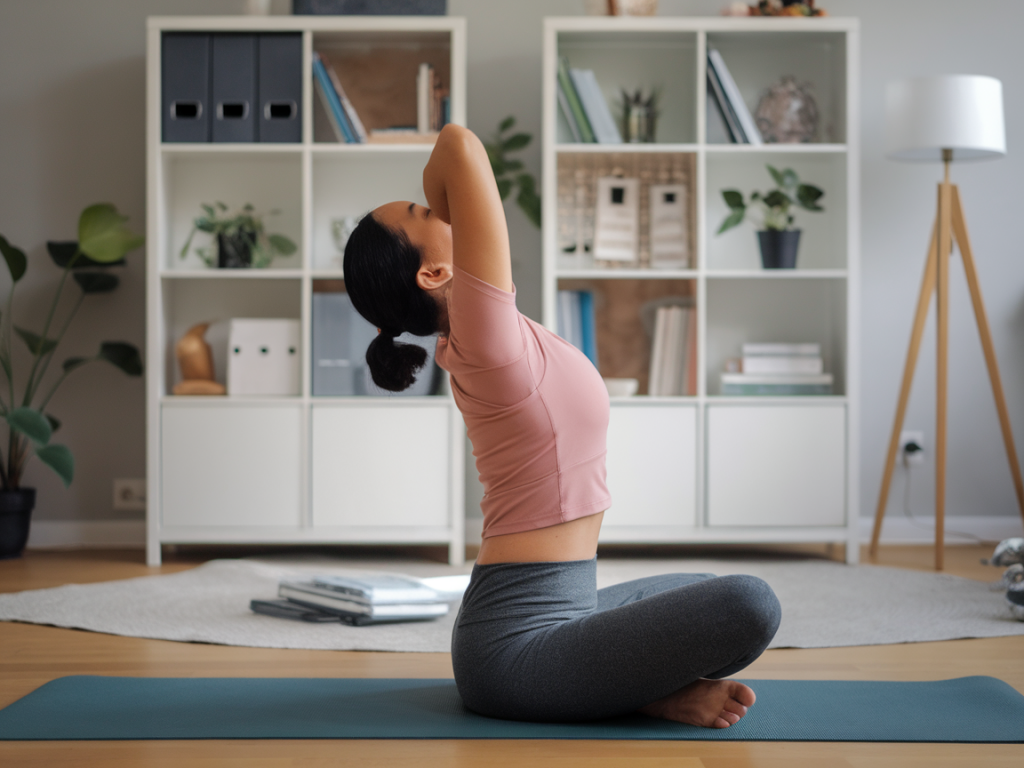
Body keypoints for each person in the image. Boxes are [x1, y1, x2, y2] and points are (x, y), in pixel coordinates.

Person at [342, 124, 781, 727]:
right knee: (748, 604)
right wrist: (446, 200)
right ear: (434, 274)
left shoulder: (488, 332)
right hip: (513, 653)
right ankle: (635, 692)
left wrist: (436, 214)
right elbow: (459, 145)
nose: (444, 213)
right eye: (426, 213)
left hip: (558, 614)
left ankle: (627, 688)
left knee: (705, 587)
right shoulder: (483, 335)